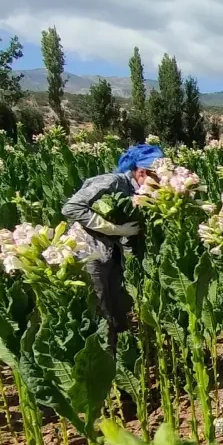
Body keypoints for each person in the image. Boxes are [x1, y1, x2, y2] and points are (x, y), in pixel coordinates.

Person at [61, 144, 163, 349]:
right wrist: (113, 228)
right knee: (100, 309)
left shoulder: (137, 191)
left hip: (111, 253)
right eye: (158, 178)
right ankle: (104, 361)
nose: (160, 183)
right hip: (87, 252)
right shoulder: (112, 182)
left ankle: (120, 360)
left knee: (118, 307)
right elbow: (71, 207)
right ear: (141, 172)